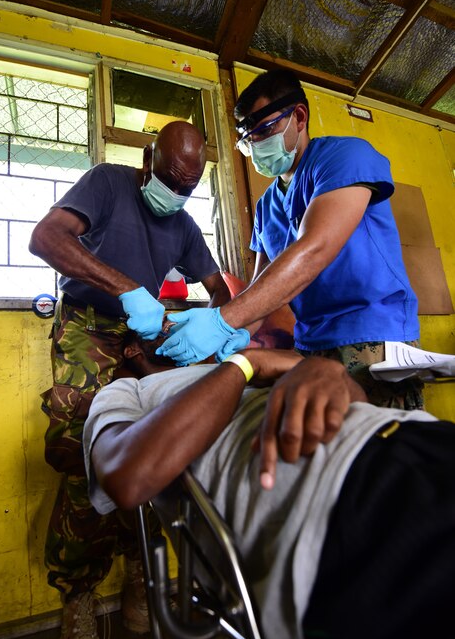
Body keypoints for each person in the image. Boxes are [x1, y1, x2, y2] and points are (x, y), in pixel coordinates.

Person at [85, 341, 455, 639]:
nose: (182, 346)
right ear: (133, 357)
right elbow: (129, 476)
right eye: (160, 341)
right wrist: (243, 363)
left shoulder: (258, 369)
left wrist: (325, 372)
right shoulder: (127, 392)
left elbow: (353, 401)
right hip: (339, 508)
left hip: (422, 440)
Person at [28, 120, 233, 639]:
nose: (178, 193)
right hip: (93, 326)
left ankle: (145, 575)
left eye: (190, 187)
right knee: (82, 443)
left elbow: (220, 284)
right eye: (171, 179)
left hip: (151, 335)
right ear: (149, 160)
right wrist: (130, 290)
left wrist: (229, 320)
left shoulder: (186, 222)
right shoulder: (108, 185)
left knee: (173, 436)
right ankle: (79, 608)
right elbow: (46, 238)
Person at [156, 68, 422, 410]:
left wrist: (223, 320)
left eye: (264, 130)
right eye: (247, 139)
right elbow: (261, 291)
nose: (255, 146)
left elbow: (314, 250)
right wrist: (228, 336)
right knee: (325, 452)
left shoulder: (344, 158)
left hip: (371, 336)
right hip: (310, 345)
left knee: (384, 448)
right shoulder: (267, 206)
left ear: (299, 116)